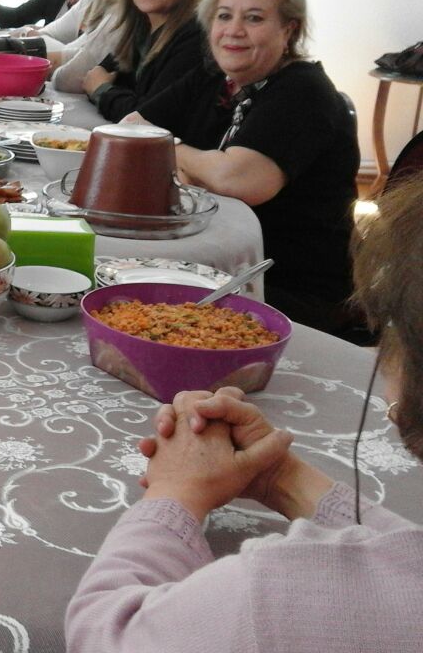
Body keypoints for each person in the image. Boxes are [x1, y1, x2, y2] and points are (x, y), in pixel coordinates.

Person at [66, 173, 423, 652]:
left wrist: (177, 494)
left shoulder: (279, 594)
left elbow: (107, 634)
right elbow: (405, 557)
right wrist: (282, 478)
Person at [125, 0, 359, 337]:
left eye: (253, 18)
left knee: (126, 306)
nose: (233, 30)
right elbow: (129, 128)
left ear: (289, 29)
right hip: (212, 266)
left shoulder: (303, 91)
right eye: (224, 16)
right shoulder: (216, 78)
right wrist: (195, 167)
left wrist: (171, 150)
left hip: (285, 290)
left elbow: (239, 180)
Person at [83, 0, 207, 122]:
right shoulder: (140, 27)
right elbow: (96, 74)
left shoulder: (196, 36)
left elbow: (143, 119)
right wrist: (109, 92)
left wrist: (102, 90)